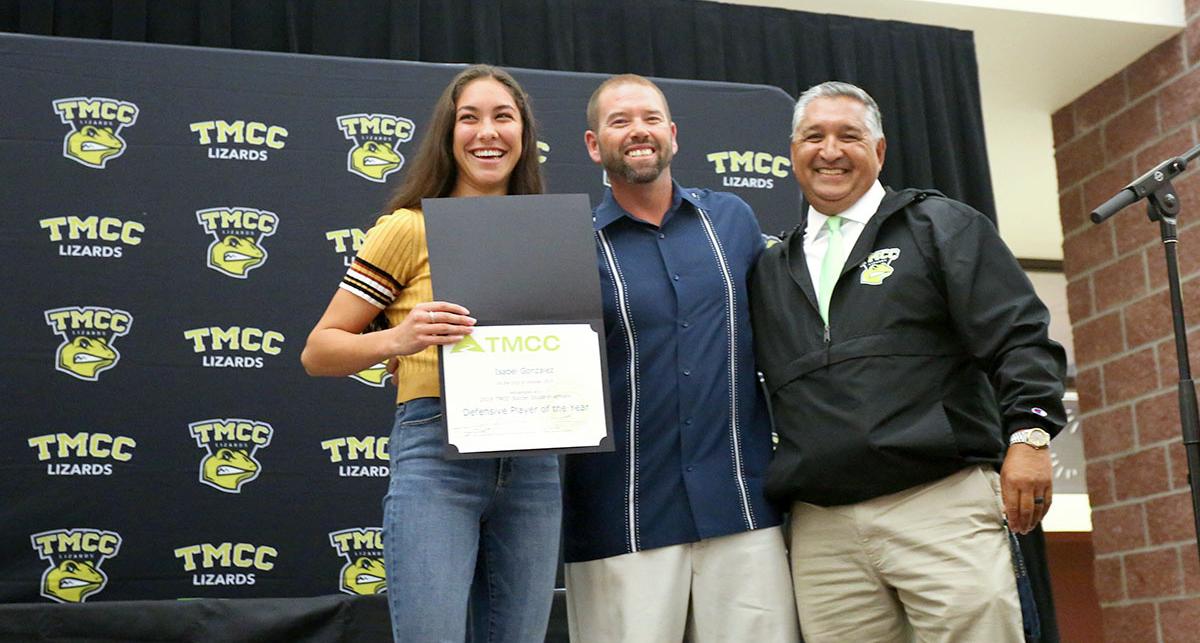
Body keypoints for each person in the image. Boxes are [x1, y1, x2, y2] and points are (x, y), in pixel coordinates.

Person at [749, 80, 1068, 642]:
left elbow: (1020, 336)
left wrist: (1031, 435)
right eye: (813, 137)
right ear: (791, 152)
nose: (829, 151)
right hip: (823, 532)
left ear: (879, 150)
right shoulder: (771, 266)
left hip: (939, 505)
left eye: (849, 136)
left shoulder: (939, 225)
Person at [300, 65, 560, 643]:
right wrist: (399, 337)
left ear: (524, 134)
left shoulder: (553, 235)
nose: (486, 132)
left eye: (503, 117)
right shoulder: (407, 228)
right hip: (437, 453)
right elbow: (319, 351)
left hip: (534, 463)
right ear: (447, 135)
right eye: (469, 118)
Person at [561, 74, 800, 643]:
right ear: (594, 145)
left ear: (672, 134)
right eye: (619, 121)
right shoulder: (567, 243)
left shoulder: (734, 220)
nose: (637, 131)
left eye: (649, 119)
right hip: (622, 518)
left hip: (740, 510)